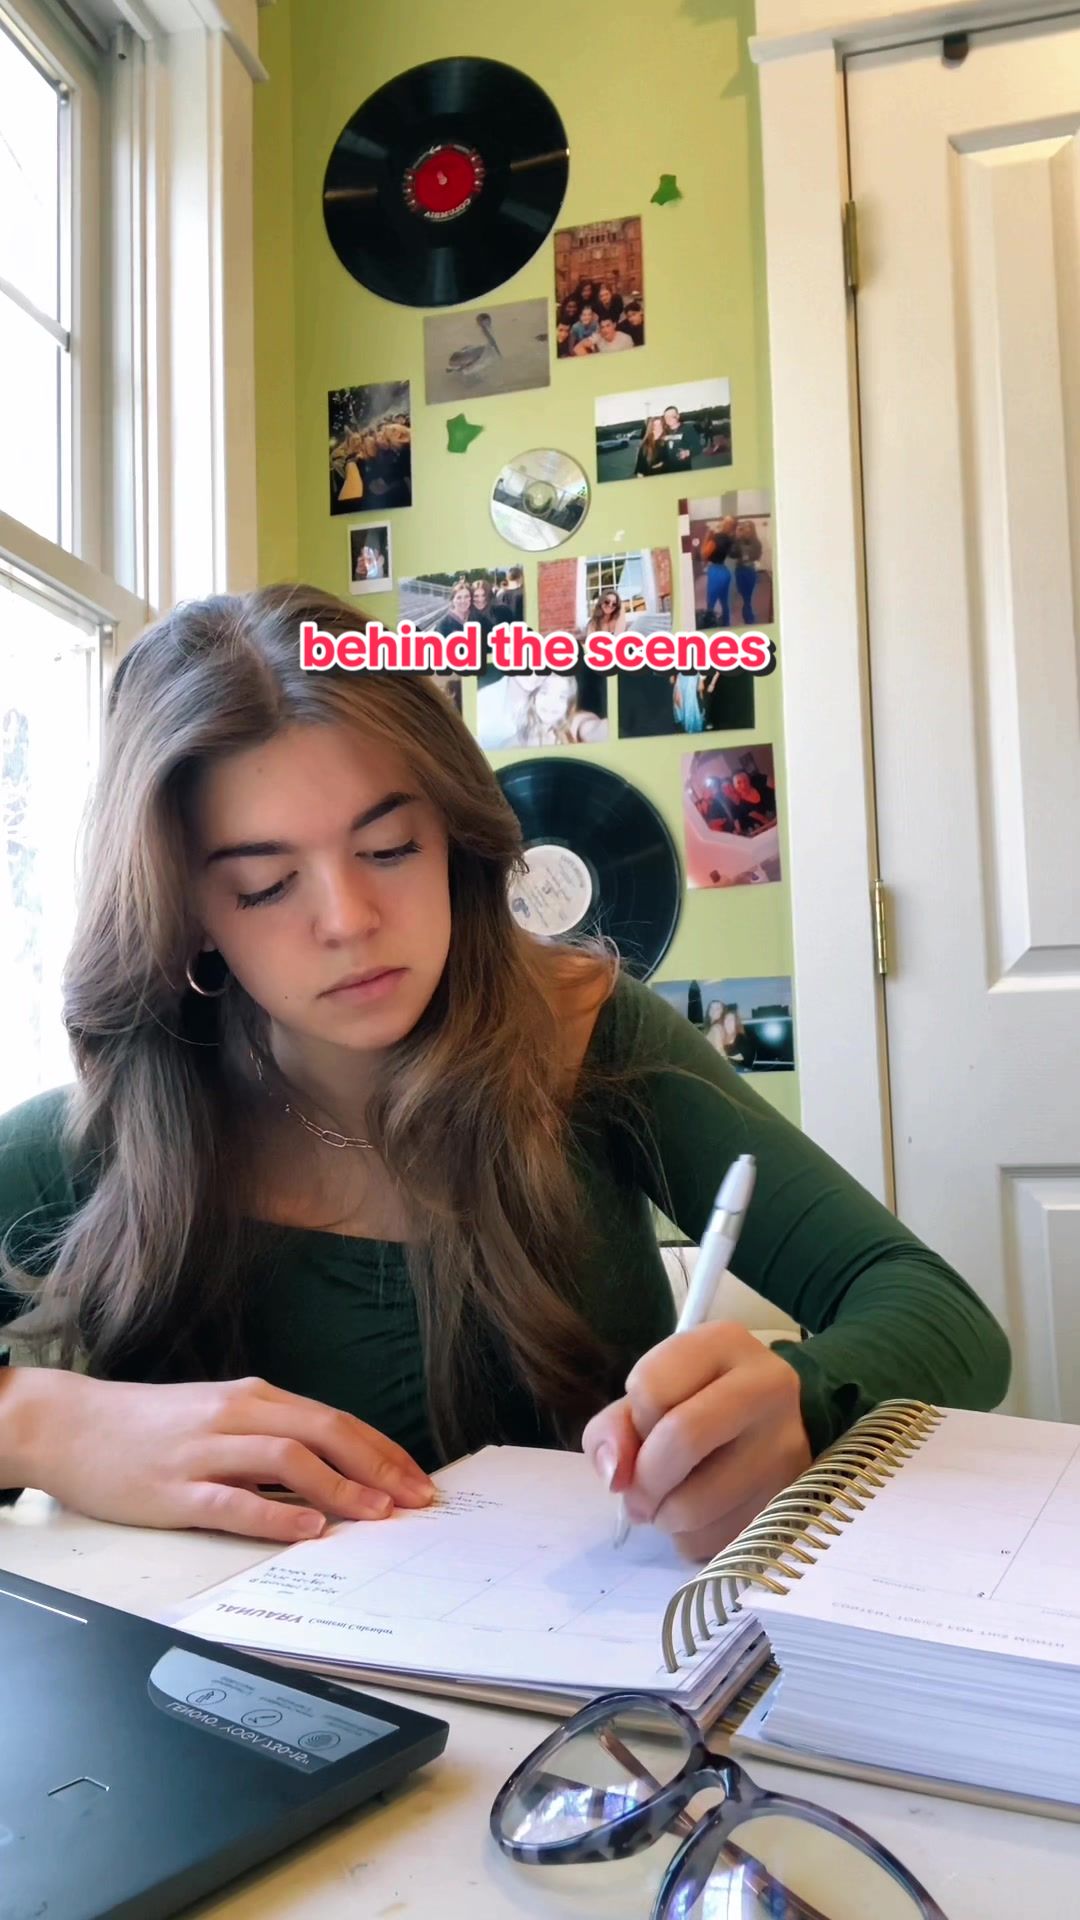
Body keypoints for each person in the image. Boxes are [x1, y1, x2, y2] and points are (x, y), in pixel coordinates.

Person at [0, 586, 1010, 1560]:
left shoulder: (585, 1031)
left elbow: (942, 1318)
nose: (348, 920)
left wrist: (801, 1400)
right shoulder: (96, 1136)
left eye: (389, 847)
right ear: (187, 913)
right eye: (265, 885)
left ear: (455, 838)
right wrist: (38, 1424)